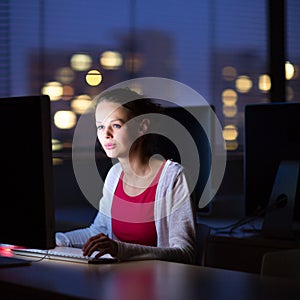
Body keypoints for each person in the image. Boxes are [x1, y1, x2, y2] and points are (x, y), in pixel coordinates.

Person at [55, 87, 197, 264]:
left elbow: (185, 253)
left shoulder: (173, 177)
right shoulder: (114, 175)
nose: (106, 135)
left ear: (142, 127)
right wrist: (55, 240)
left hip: (159, 285)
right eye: (100, 126)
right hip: (117, 281)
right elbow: (98, 232)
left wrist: (119, 249)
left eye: (116, 125)